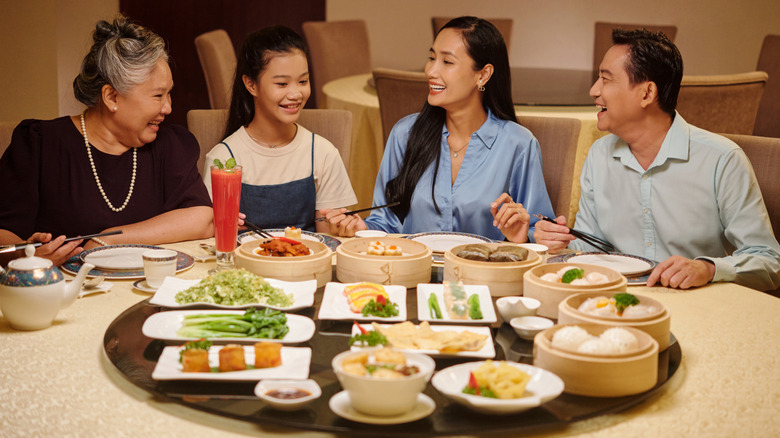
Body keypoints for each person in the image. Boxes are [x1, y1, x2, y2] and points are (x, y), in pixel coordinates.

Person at [534, 29, 780, 291]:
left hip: (700, 307)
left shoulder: (722, 160)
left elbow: (770, 262)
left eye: (606, 79)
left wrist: (708, 268)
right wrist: (559, 242)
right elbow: (591, 246)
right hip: (619, 303)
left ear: (647, 93)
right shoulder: (599, 154)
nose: (594, 90)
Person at [0, 15, 213, 267]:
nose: (168, 107)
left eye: (169, 94)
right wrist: (27, 255)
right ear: (112, 97)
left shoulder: (168, 144)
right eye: (157, 95)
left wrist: (107, 240)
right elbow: (3, 233)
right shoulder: (39, 145)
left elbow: (202, 219)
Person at [323, 16, 553, 242]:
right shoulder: (405, 134)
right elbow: (385, 223)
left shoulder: (518, 144)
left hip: (484, 276)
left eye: (447, 62)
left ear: (483, 75)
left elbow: (537, 230)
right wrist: (359, 227)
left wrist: (522, 237)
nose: (431, 71)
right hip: (412, 275)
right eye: (431, 58)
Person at [203, 26, 356, 233]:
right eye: (282, 84)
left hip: (307, 262)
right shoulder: (224, 158)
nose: (295, 94)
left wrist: (343, 226)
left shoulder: (322, 153)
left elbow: (327, 239)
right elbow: (213, 239)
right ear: (251, 84)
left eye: (303, 81)